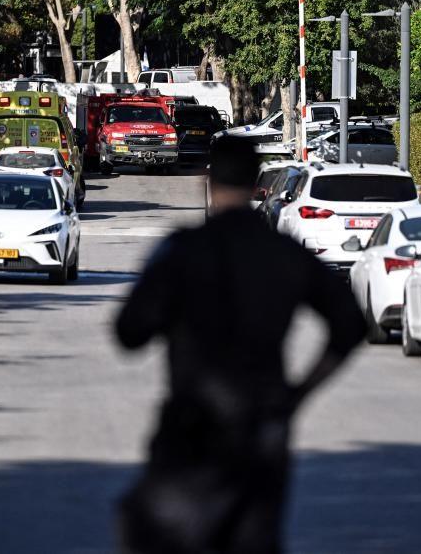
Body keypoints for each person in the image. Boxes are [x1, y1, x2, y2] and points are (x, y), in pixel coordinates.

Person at [114, 135, 366, 553]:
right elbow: (350, 325)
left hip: (193, 431)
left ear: (207, 182)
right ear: (256, 185)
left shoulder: (181, 251)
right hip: (263, 431)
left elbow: (129, 334)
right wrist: (299, 393)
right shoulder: (283, 253)